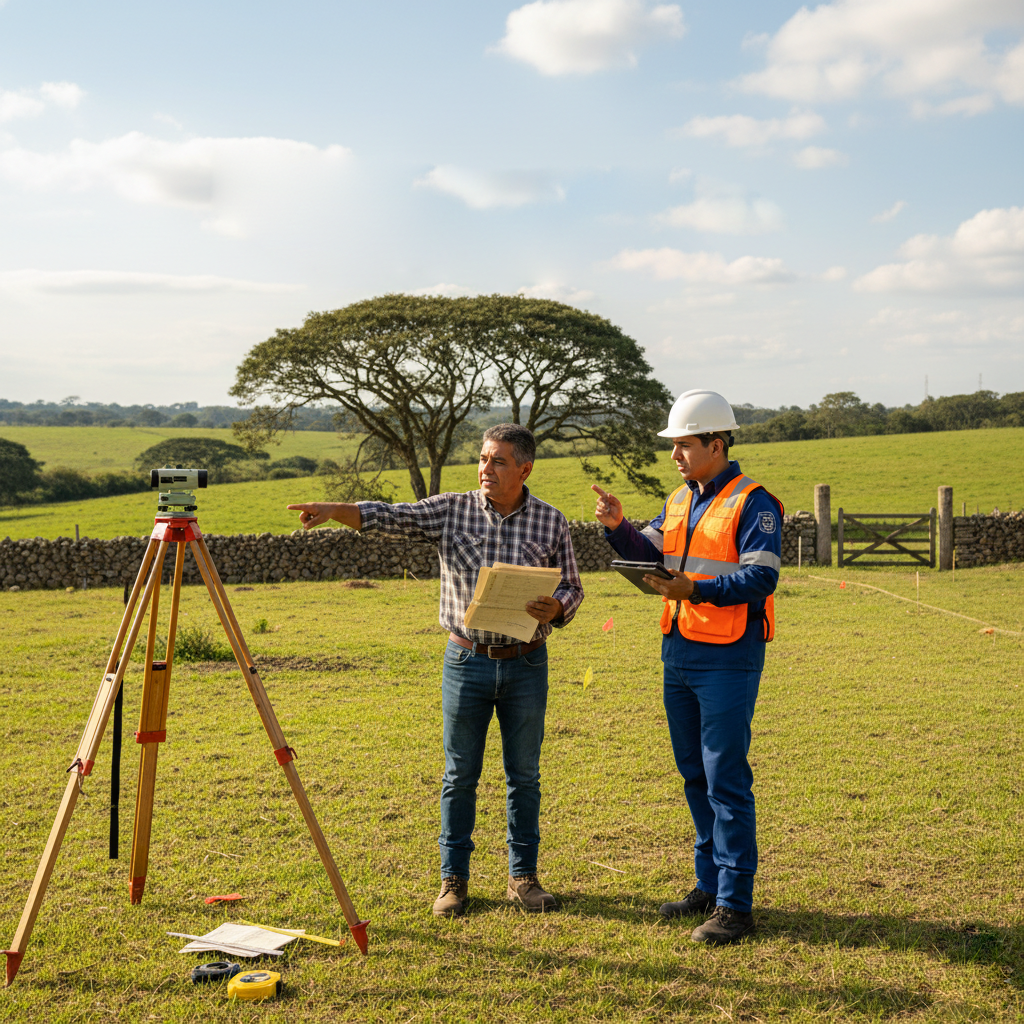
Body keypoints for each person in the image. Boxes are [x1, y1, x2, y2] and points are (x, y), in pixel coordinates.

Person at [288, 423, 583, 917]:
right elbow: (392, 516)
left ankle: (524, 879)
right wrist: (337, 510)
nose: (486, 469)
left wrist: (556, 608)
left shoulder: (551, 521)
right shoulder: (452, 509)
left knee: (524, 775)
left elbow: (573, 584)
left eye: (498, 461)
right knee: (459, 774)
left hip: (526, 663)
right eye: (484, 459)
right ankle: (454, 882)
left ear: (525, 468)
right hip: (465, 661)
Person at [592, 389, 781, 946]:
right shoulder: (679, 499)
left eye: (684, 445)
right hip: (679, 651)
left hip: (728, 655)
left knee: (725, 778)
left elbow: (760, 578)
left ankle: (735, 906)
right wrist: (617, 525)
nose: (675, 454)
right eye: (673, 445)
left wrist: (693, 586)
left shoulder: (755, 503)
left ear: (716, 444)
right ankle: (708, 884)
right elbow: (647, 550)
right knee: (694, 774)